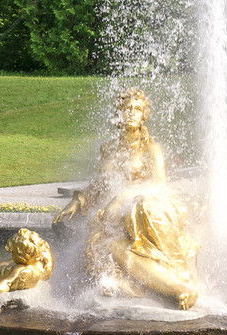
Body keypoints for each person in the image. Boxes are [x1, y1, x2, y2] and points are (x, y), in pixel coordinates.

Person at [54, 87, 199, 310]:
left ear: (144, 116)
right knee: (108, 245)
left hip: (149, 208)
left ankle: (176, 285)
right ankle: (174, 289)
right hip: (116, 214)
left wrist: (123, 198)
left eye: (137, 109)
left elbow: (160, 184)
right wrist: (79, 200)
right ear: (119, 113)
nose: (132, 113)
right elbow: (102, 184)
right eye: (127, 108)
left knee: (141, 206)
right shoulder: (109, 148)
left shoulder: (151, 148)